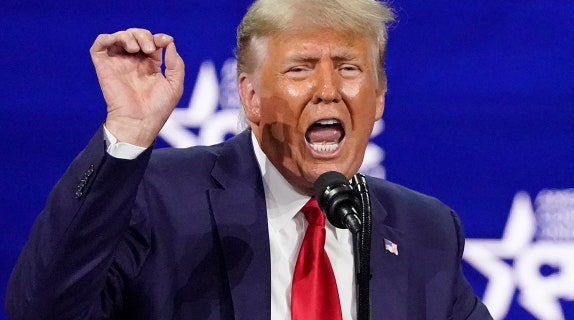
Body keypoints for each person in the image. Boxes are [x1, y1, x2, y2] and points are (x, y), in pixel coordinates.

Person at [6, 0, 493, 319]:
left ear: (379, 97)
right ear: (251, 98)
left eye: (348, 68)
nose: (327, 90)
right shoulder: (157, 198)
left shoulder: (423, 228)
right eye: (300, 69)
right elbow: (40, 309)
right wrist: (128, 134)